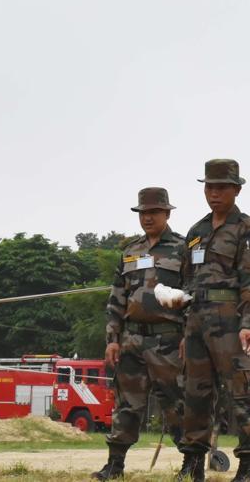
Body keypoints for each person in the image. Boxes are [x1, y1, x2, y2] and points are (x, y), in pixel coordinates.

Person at [177, 159, 250, 482]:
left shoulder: (248, 229)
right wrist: (187, 329)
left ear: (236, 189)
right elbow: (188, 283)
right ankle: (192, 465)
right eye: (209, 187)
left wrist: (248, 324)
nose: (214, 193)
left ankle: (249, 466)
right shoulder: (196, 232)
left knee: (241, 391)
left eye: (222, 187)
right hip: (197, 321)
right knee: (195, 393)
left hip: (231, 321)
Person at [92, 188, 189, 480]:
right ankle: (115, 465)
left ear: (167, 213)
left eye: (153, 212)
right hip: (132, 340)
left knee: (177, 403)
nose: (147, 218)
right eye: (143, 213)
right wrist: (112, 340)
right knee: (126, 405)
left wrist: (189, 335)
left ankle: (191, 463)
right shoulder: (130, 251)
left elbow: (193, 295)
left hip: (169, 340)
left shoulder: (183, 249)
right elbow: (116, 299)